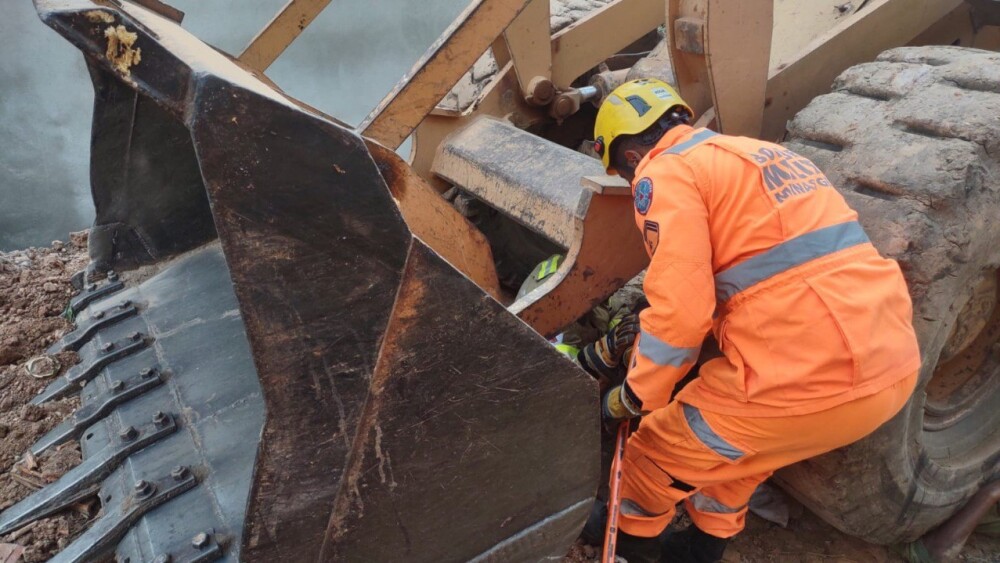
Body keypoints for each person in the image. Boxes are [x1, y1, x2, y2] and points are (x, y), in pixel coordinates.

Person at [575, 79, 922, 562]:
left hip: (803, 380)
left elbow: (681, 313)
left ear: (629, 157)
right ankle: (701, 549)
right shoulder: (762, 154)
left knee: (655, 454)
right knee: (741, 457)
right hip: (892, 370)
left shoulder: (664, 173)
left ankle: (630, 539)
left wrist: (635, 395)